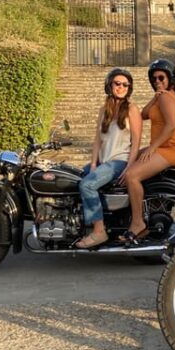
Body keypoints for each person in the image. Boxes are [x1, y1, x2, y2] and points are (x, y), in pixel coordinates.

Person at [119, 58, 175, 244]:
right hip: (165, 147)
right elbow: (142, 115)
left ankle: (137, 223)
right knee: (130, 158)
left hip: (173, 148)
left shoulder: (167, 97)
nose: (157, 81)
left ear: (171, 78)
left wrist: (152, 147)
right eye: (153, 79)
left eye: (161, 77)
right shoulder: (162, 96)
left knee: (132, 176)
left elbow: (171, 127)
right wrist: (156, 95)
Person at [75, 68, 142, 248]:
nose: (121, 87)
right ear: (109, 85)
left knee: (87, 185)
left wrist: (129, 167)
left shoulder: (132, 109)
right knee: (74, 178)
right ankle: (82, 223)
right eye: (117, 83)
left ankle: (99, 231)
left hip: (119, 162)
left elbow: (136, 141)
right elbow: (98, 139)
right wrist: (93, 163)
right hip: (104, 161)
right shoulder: (104, 110)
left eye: (125, 85)